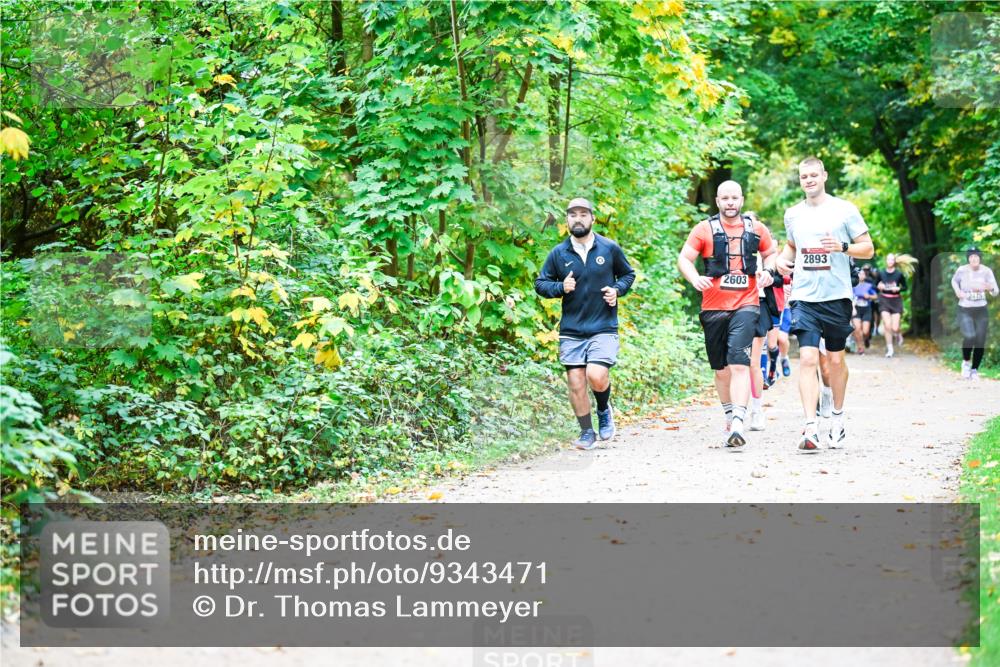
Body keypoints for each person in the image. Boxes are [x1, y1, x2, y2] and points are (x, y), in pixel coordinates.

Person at [776, 157, 874, 452]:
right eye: (804, 176)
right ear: (800, 180)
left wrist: (843, 247)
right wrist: (782, 260)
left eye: (813, 175)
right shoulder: (793, 214)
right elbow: (792, 246)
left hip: (837, 296)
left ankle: (838, 417)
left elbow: (868, 248)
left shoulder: (844, 210)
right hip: (804, 297)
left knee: (834, 362)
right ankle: (810, 427)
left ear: (824, 176)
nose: (809, 180)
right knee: (806, 359)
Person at [678, 181, 777, 448]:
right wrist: (694, 277)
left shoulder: (756, 228)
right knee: (721, 370)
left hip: (747, 303)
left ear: (742, 200)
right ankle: (728, 413)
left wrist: (768, 271)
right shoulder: (703, 229)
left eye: (734, 198)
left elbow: (771, 253)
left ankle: (738, 422)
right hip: (713, 306)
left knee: (739, 363)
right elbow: (684, 258)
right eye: (725, 198)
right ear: (718, 202)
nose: (730, 202)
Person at [951, 247, 999, 380]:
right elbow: (954, 281)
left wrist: (990, 288)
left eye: (976, 256)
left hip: (981, 310)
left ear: (980, 258)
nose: (974, 259)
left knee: (980, 340)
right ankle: (966, 362)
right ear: (968, 259)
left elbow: (995, 292)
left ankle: (974, 370)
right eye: (971, 257)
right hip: (965, 309)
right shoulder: (962, 270)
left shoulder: (987, 271)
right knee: (970, 336)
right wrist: (958, 291)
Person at [877, 253, 907, 357]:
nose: (890, 261)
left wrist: (898, 288)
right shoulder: (881, 273)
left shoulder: (899, 274)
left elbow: (905, 287)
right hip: (884, 300)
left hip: (896, 301)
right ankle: (890, 349)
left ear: (894, 261)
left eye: (892, 260)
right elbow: (875, 285)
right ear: (886, 261)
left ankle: (898, 334)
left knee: (894, 327)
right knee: (887, 324)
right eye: (888, 259)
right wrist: (879, 285)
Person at [851, 268, 878, 354]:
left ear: (865, 276)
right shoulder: (853, 286)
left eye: (862, 274)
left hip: (866, 309)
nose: (861, 275)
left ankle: (865, 340)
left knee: (865, 331)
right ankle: (860, 347)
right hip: (856, 308)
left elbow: (876, 296)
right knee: (857, 328)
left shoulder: (869, 286)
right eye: (859, 274)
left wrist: (869, 296)